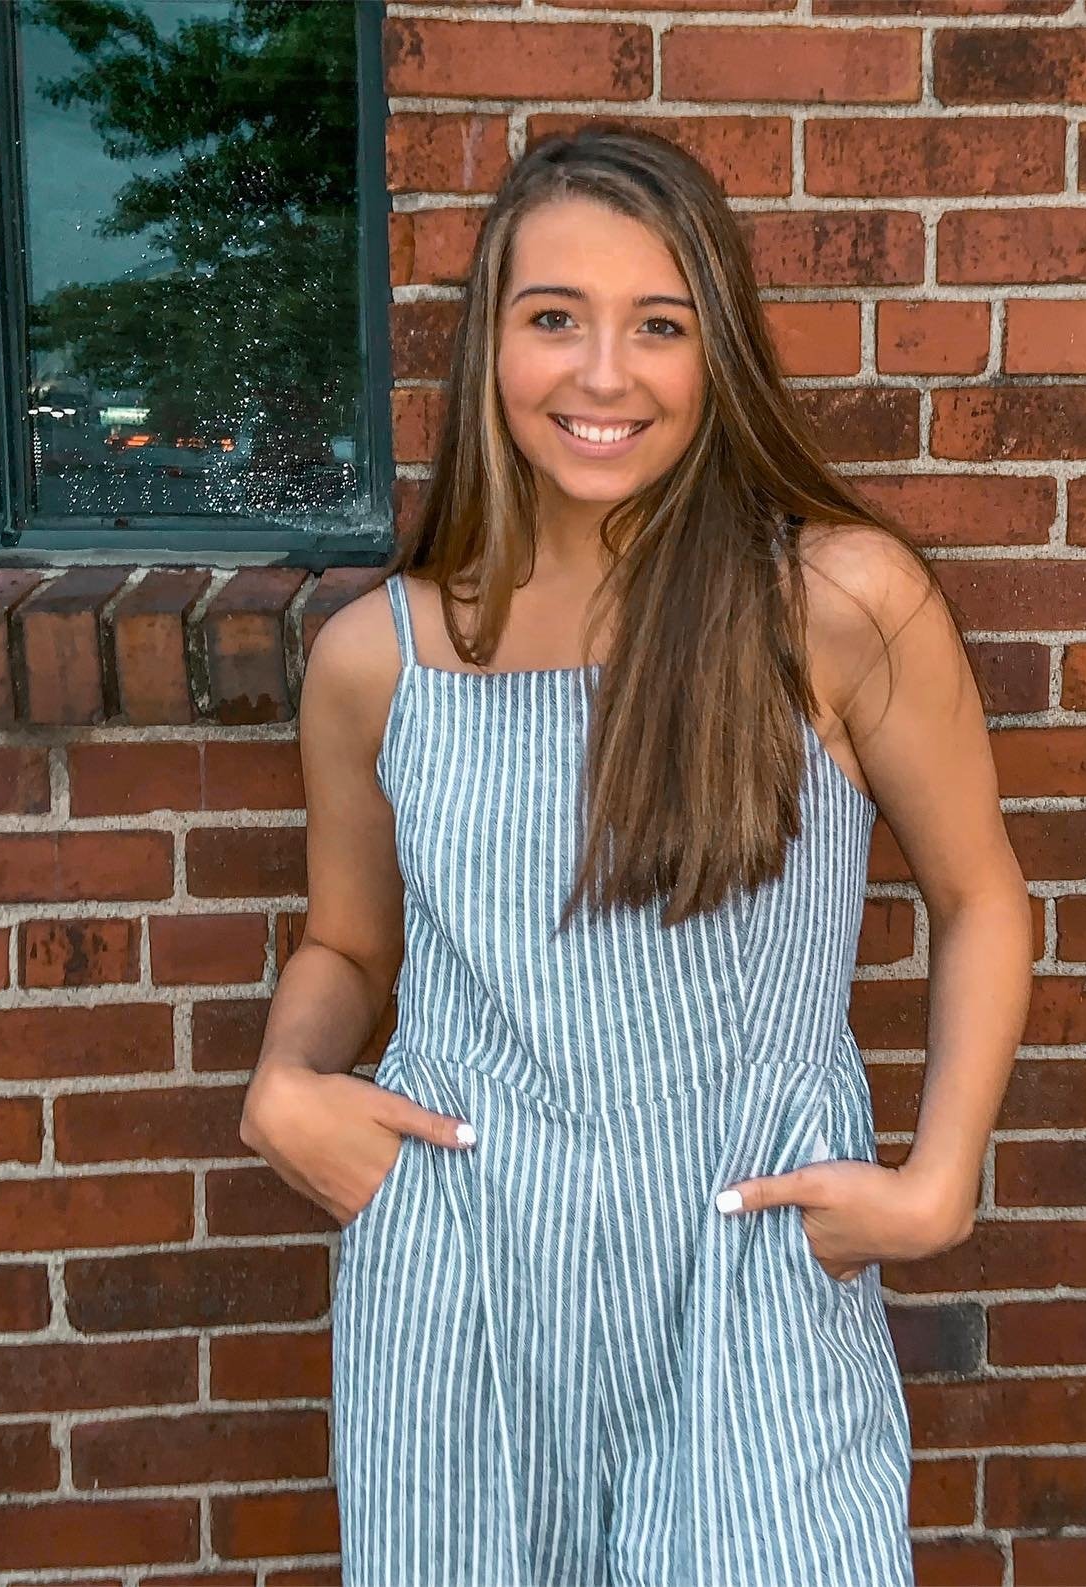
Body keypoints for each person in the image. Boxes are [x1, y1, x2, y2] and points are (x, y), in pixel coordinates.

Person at [240, 125, 1032, 1587]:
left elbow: (981, 897)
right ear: (491, 344)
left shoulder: (836, 601)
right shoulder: (378, 659)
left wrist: (939, 1183)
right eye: (556, 318)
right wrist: (287, 1082)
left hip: (747, 1261)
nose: (604, 374)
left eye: (659, 325)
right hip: (463, 1277)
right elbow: (349, 944)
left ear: (716, 350)